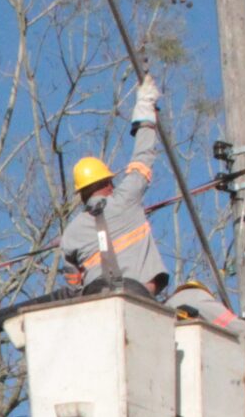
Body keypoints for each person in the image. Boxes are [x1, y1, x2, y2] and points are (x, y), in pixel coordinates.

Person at [58, 77, 170, 298]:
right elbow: (143, 157)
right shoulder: (125, 198)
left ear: (82, 195)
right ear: (109, 183)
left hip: (96, 301)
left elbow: (72, 285)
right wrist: (145, 107)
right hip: (138, 293)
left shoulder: (70, 235)